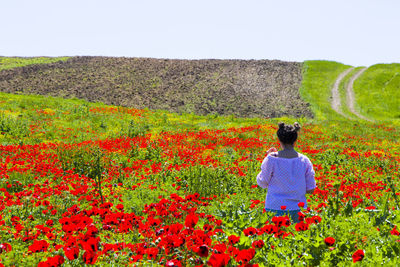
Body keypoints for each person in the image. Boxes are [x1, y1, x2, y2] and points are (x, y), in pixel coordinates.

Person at [256, 122, 316, 223]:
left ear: (279, 140)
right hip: (298, 209)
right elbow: (311, 189)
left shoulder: (271, 159)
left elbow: (262, 182)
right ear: (295, 140)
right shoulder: (304, 160)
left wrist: (267, 157)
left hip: (275, 208)